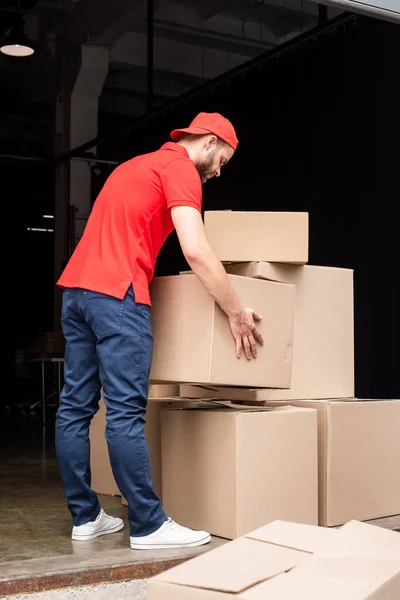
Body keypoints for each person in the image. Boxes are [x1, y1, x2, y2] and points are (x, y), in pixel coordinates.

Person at [55, 111, 264, 550]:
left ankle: (86, 517)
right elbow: (196, 249)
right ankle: (149, 525)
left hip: (76, 292)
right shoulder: (180, 170)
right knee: (126, 412)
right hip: (117, 296)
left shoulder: (135, 165)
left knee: (74, 408)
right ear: (207, 143)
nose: (219, 171)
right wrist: (234, 310)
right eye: (222, 160)